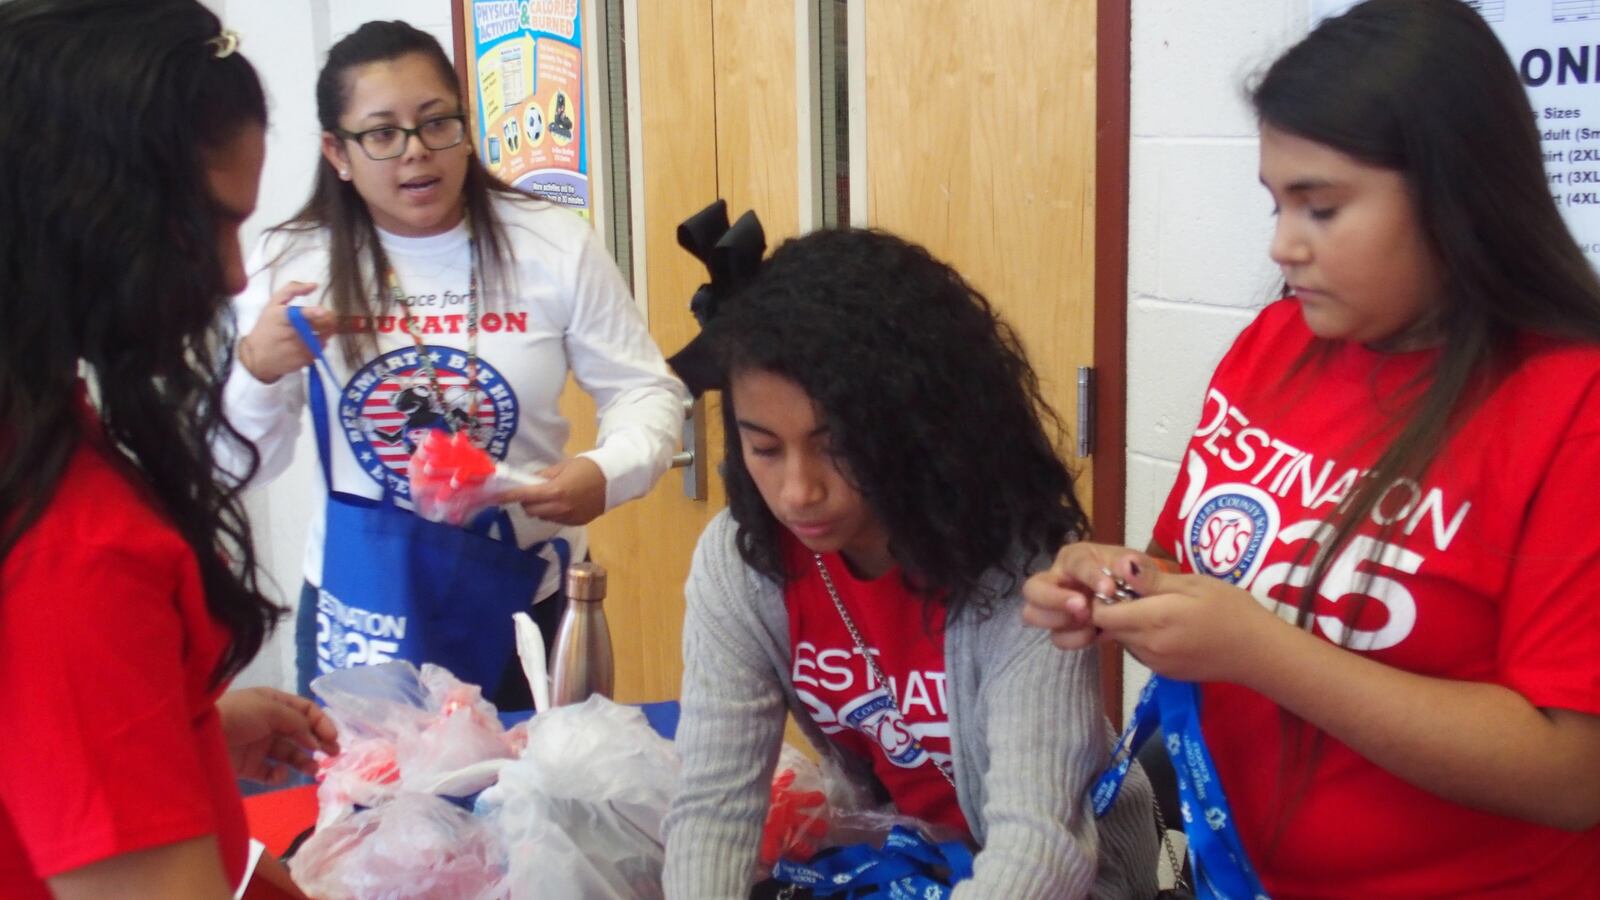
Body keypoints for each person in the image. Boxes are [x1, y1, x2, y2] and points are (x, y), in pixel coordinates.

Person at [1024, 0, 1600, 895]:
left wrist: (1259, 652)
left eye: (1321, 208)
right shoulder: (1275, 345)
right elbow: (1191, 565)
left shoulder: (1573, 404)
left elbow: (1574, 775)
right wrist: (1116, 581)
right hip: (1239, 870)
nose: (1283, 245)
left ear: (1459, 196)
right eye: (1275, 202)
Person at [662, 227, 1159, 898]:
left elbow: (1041, 851)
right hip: (905, 861)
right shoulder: (743, 562)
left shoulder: (1022, 567)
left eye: (834, 445)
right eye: (765, 448)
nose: (798, 491)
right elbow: (714, 810)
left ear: (912, 425)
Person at [220, 21, 689, 705]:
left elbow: (646, 392)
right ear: (337, 152)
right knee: (370, 805)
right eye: (382, 134)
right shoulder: (292, 263)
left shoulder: (551, 242)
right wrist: (258, 369)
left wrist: (606, 473)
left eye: (437, 122)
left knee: (540, 805)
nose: (416, 153)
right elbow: (242, 466)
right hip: (365, 604)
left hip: (528, 594)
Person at [0, 2, 339, 898]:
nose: (233, 276)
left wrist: (178, 732)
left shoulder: (38, 423)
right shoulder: (72, 546)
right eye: (213, 225)